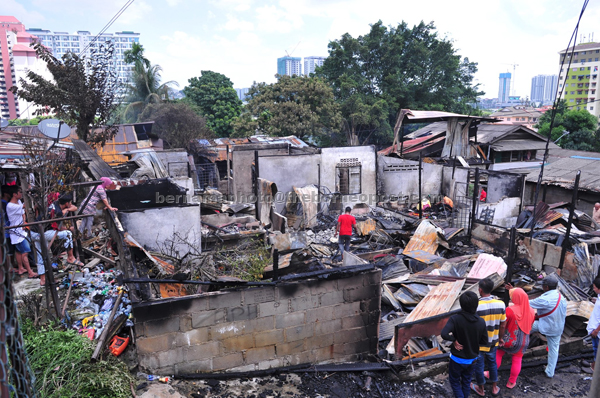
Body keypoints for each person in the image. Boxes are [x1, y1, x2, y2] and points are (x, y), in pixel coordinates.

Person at [441, 291, 488, 398]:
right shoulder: (481, 322)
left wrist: (453, 340)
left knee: (455, 381)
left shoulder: (455, 319)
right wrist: (473, 340)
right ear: (476, 305)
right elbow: (485, 341)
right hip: (472, 359)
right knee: (466, 381)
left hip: (457, 358)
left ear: (461, 305)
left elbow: (444, 333)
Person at [30, 193, 82, 286]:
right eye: (69, 203)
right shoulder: (58, 211)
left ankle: (43, 279)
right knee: (68, 234)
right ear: (66, 203)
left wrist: (68, 209)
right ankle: (70, 257)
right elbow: (58, 228)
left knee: (41, 255)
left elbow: (73, 208)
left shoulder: (56, 203)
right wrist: (68, 228)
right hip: (40, 233)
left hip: (35, 231)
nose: (70, 204)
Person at [471, 278, 506, 397]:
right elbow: (503, 324)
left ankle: (481, 389)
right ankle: (495, 388)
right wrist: (500, 338)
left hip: (479, 342)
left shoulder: (476, 306)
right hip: (493, 341)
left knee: (479, 365)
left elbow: (473, 325)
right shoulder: (501, 304)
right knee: (492, 364)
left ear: (480, 290)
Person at [528, 275, 567, 378]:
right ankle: (550, 372)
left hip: (546, 326)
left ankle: (517, 349)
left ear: (546, 287)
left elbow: (527, 303)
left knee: (525, 326)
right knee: (554, 349)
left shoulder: (545, 299)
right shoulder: (561, 296)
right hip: (558, 326)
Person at [496, 287, 535, 389]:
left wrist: (500, 337)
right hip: (523, 341)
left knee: (498, 353)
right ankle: (511, 382)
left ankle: (491, 374)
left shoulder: (509, 310)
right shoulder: (531, 311)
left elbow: (503, 325)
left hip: (509, 340)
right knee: (517, 360)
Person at [6, 186, 37, 278]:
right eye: (20, 192)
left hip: (20, 230)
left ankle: (21, 268)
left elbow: (23, 212)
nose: (21, 194)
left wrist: (24, 222)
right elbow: (25, 206)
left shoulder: (18, 202)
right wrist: (31, 197)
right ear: (15, 194)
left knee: (19, 251)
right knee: (25, 252)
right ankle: (30, 272)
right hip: (16, 232)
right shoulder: (10, 206)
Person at [583, 277, 600, 373]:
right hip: (595, 328)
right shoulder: (599, 297)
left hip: (597, 330)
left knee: (597, 350)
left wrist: (597, 330)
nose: (593, 289)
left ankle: (594, 368)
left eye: (594, 287)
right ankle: (594, 365)